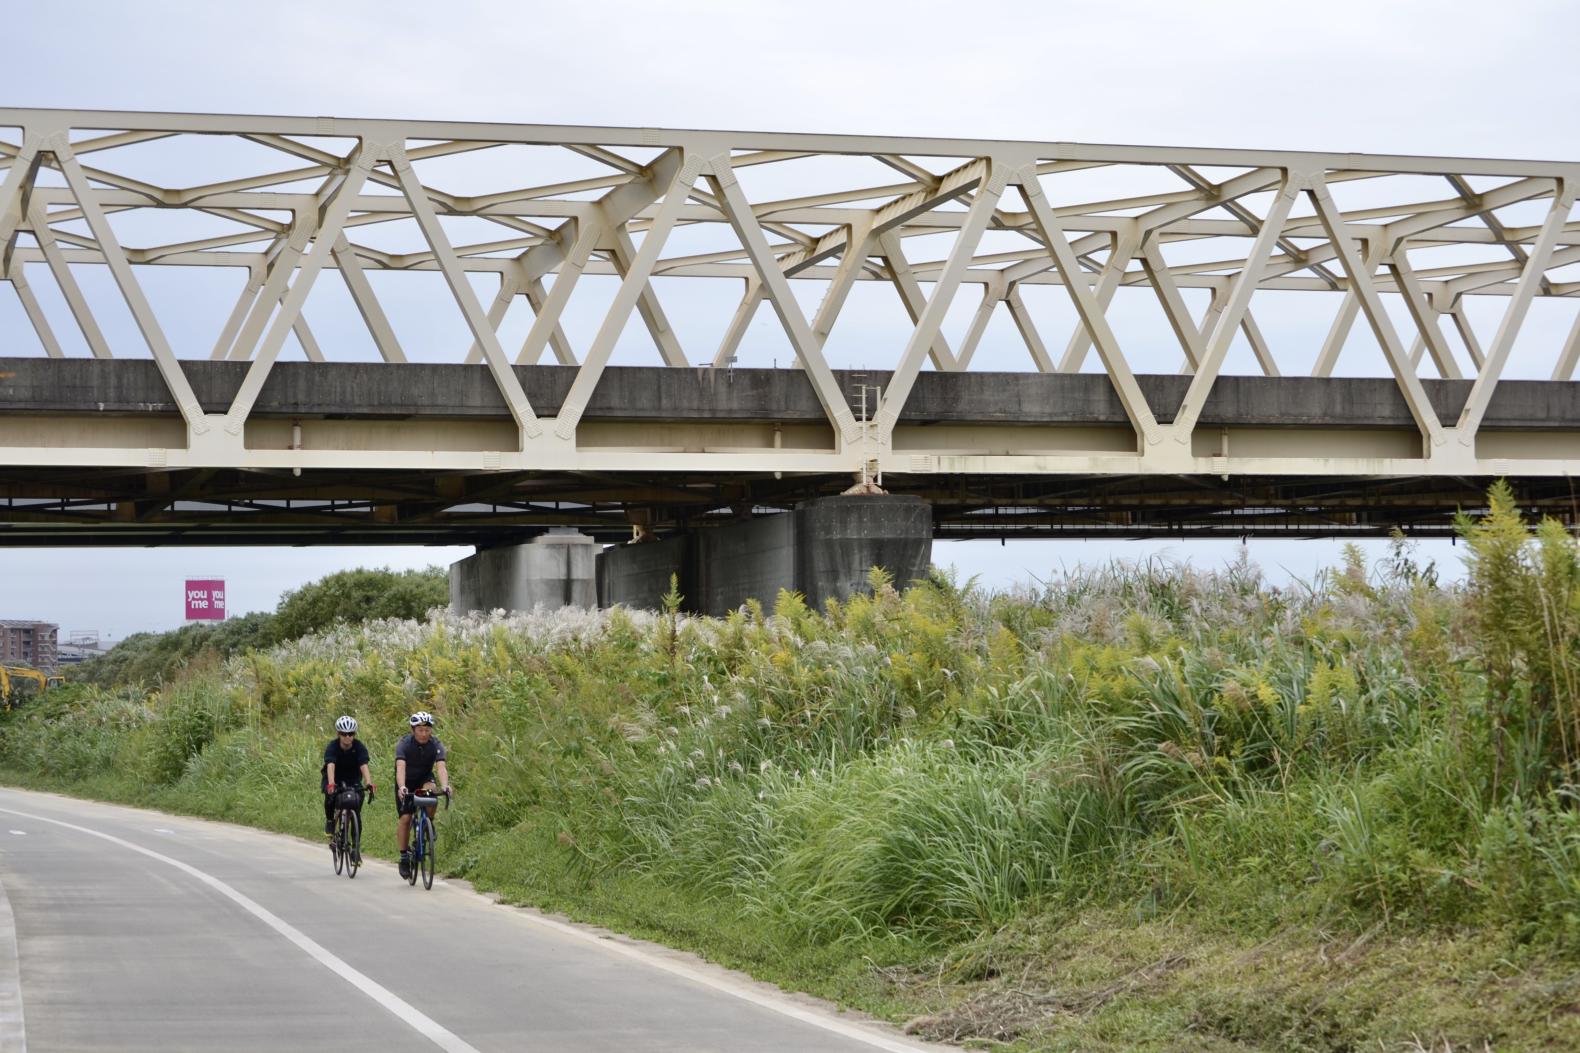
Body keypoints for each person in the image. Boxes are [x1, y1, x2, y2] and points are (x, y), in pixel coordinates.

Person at [395, 710, 451, 879]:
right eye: (420, 730)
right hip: (407, 782)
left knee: (432, 794)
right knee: (405, 818)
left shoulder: (436, 744)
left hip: (424, 780)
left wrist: (446, 786)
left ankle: (428, 822)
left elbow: (441, 767)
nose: (424, 733)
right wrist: (402, 787)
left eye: (427, 730)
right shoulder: (404, 744)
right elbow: (400, 767)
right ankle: (404, 857)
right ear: (413, 730)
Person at [322, 715, 375, 843]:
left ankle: (355, 848)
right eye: (344, 734)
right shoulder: (332, 747)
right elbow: (330, 766)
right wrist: (331, 784)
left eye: (350, 734)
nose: (347, 737)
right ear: (338, 734)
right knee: (330, 797)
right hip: (334, 778)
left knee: (356, 812)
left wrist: (369, 783)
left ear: (354, 734)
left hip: (353, 779)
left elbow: (364, 765)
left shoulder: (359, 747)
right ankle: (330, 821)